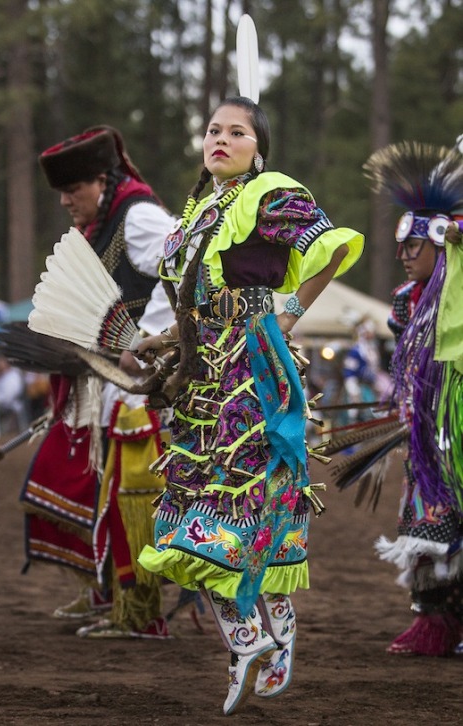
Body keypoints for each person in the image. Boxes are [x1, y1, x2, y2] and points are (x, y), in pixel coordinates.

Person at [132, 96, 364, 714]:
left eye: (237, 132)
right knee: (185, 504)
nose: (221, 140)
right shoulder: (195, 216)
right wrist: (165, 338)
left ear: (257, 148)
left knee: (247, 496)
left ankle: (256, 632)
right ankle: (264, 629)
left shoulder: (272, 193)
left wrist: (289, 312)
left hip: (252, 370)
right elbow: (195, 302)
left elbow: (333, 246)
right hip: (199, 375)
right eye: (213, 130)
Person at [20, 125, 176, 638]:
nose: (66, 201)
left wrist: (150, 339)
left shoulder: (140, 217)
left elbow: (187, 268)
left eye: (74, 190)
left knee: (136, 495)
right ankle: (108, 592)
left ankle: (140, 611)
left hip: (145, 391)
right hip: (108, 385)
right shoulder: (98, 228)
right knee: (98, 490)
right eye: (61, 193)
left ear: (103, 181)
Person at [363, 140, 463, 656]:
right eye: (401, 245)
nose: (403, 255)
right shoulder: (406, 304)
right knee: (429, 521)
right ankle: (437, 622)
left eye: (414, 246)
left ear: (441, 244)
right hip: (429, 437)